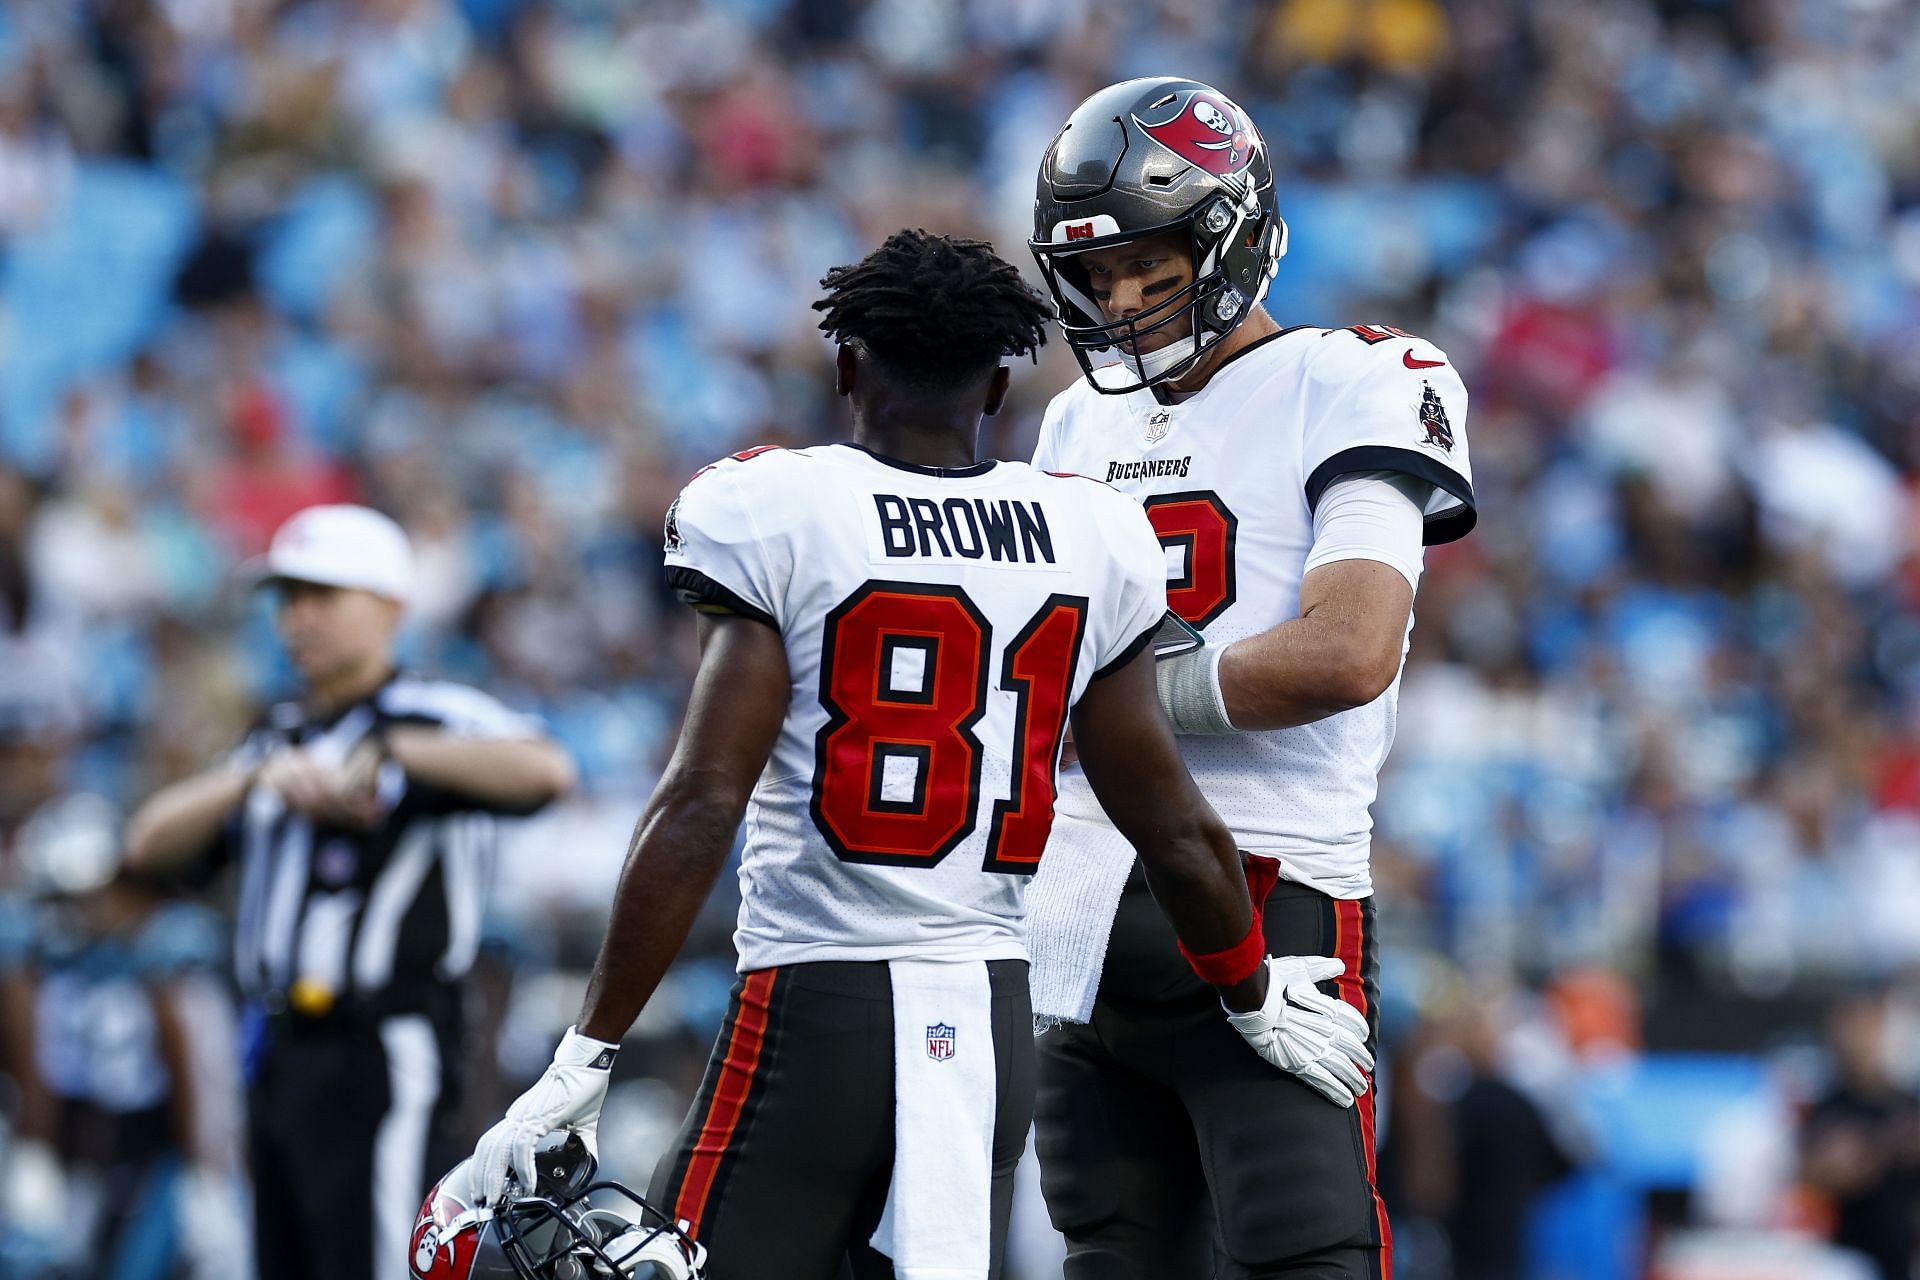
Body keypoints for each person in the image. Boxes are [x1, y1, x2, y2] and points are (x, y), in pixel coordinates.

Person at [462, 229, 1373, 1280]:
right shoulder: (1089, 529)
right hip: (990, 1016)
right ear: (998, 379)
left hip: (816, 1000)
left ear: (846, 363)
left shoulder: (774, 504)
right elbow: (1170, 821)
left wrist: (589, 1048)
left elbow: (702, 801)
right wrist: (1249, 986)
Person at [1024, 77, 1479, 1279]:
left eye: (1152, 258)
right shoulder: (1073, 425)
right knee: (1107, 1255)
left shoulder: (1358, 376)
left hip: (1271, 878)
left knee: (1304, 1248)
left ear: (1231, 229)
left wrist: (1112, 704)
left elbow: (1346, 650)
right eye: (1100, 271)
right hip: (1082, 897)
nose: (1120, 297)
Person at [123, 503, 577, 1280]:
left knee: (381, 1259)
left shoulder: (433, 717)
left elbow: (546, 771)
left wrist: (394, 753)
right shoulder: (277, 739)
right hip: (275, 1048)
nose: (298, 618)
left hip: (384, 1044)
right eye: (288, 599)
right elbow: (146, 846)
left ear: (389, 607)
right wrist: (250, 777)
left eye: (322, 597)